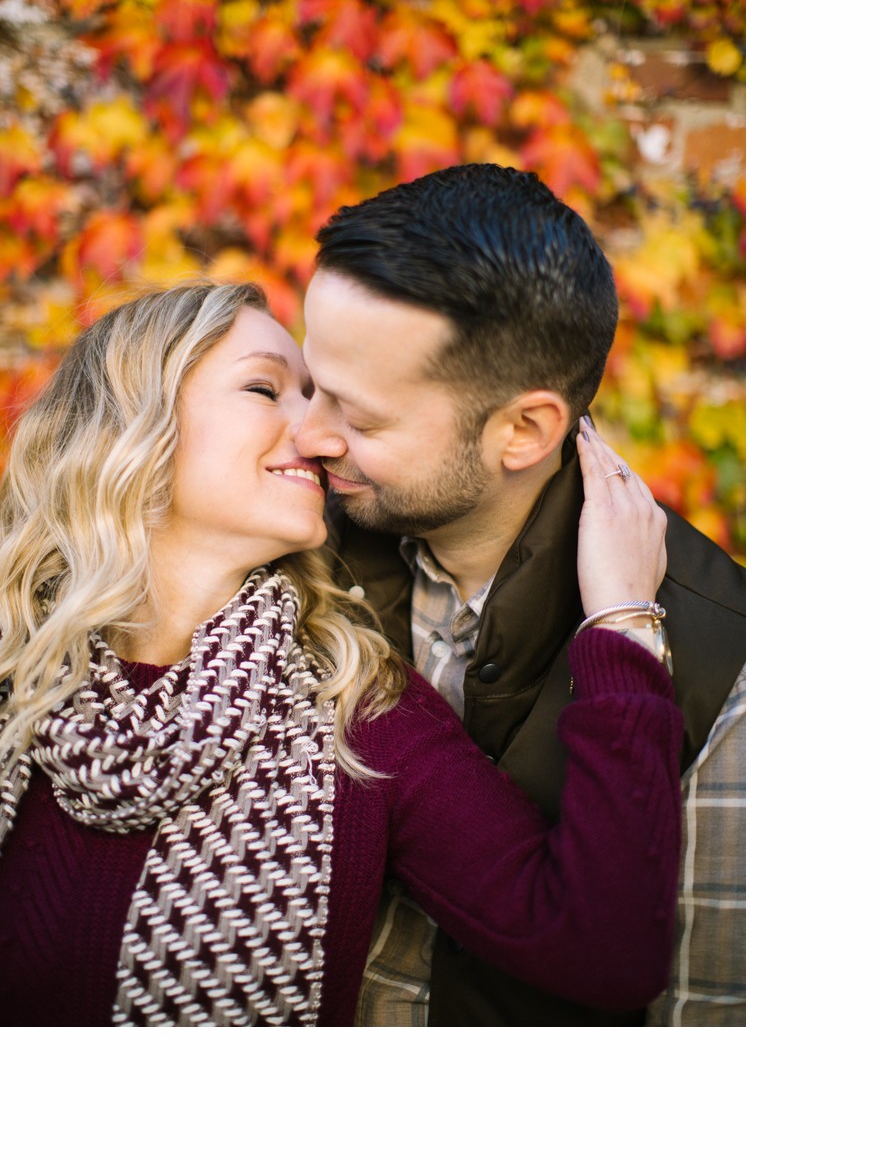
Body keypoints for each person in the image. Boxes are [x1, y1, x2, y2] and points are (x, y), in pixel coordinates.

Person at [0, 281, 683, 1026]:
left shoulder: (359, 710)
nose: (322, 435)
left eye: (322, 397)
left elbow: (603, 947)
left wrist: (621, 622)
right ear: (131, 427)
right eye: (266, 388)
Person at [297, 162, 746, 1026]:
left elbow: (704, 1022)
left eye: (361, 417)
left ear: (525, 430)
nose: (310, 434)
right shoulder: (285, 554)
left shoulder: (728, 667)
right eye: (313, 385)